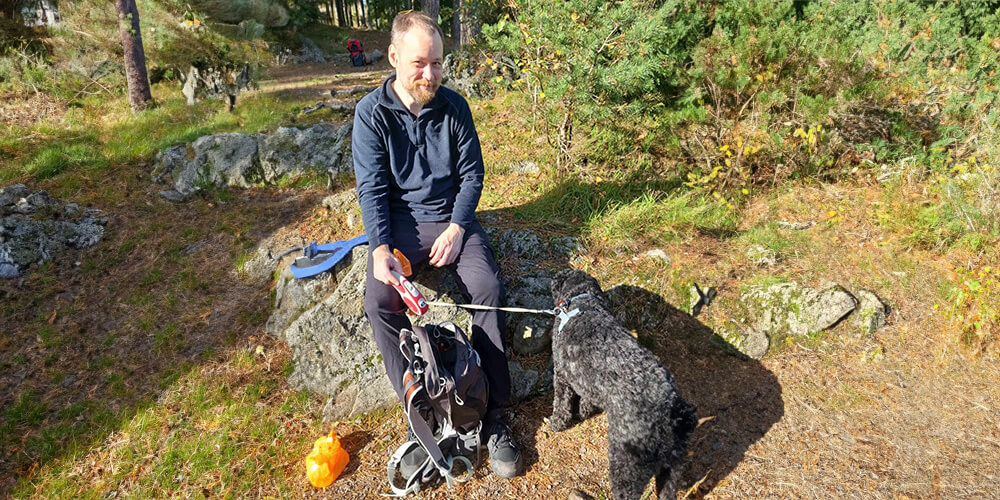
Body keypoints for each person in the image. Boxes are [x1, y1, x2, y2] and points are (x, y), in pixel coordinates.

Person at [351, 10, 522, 479]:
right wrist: (380, 247)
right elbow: (372, 189)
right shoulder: (371, 115)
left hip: (450, 221)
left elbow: (472, 175)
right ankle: (421, 412)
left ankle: (495, 416)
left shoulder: (455, 108)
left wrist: (457, 227)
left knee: (486, 286)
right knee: (379, 300)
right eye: (419, 63)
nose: (430, 74)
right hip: (402, 227)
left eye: (438, 63)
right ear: (393, 57)